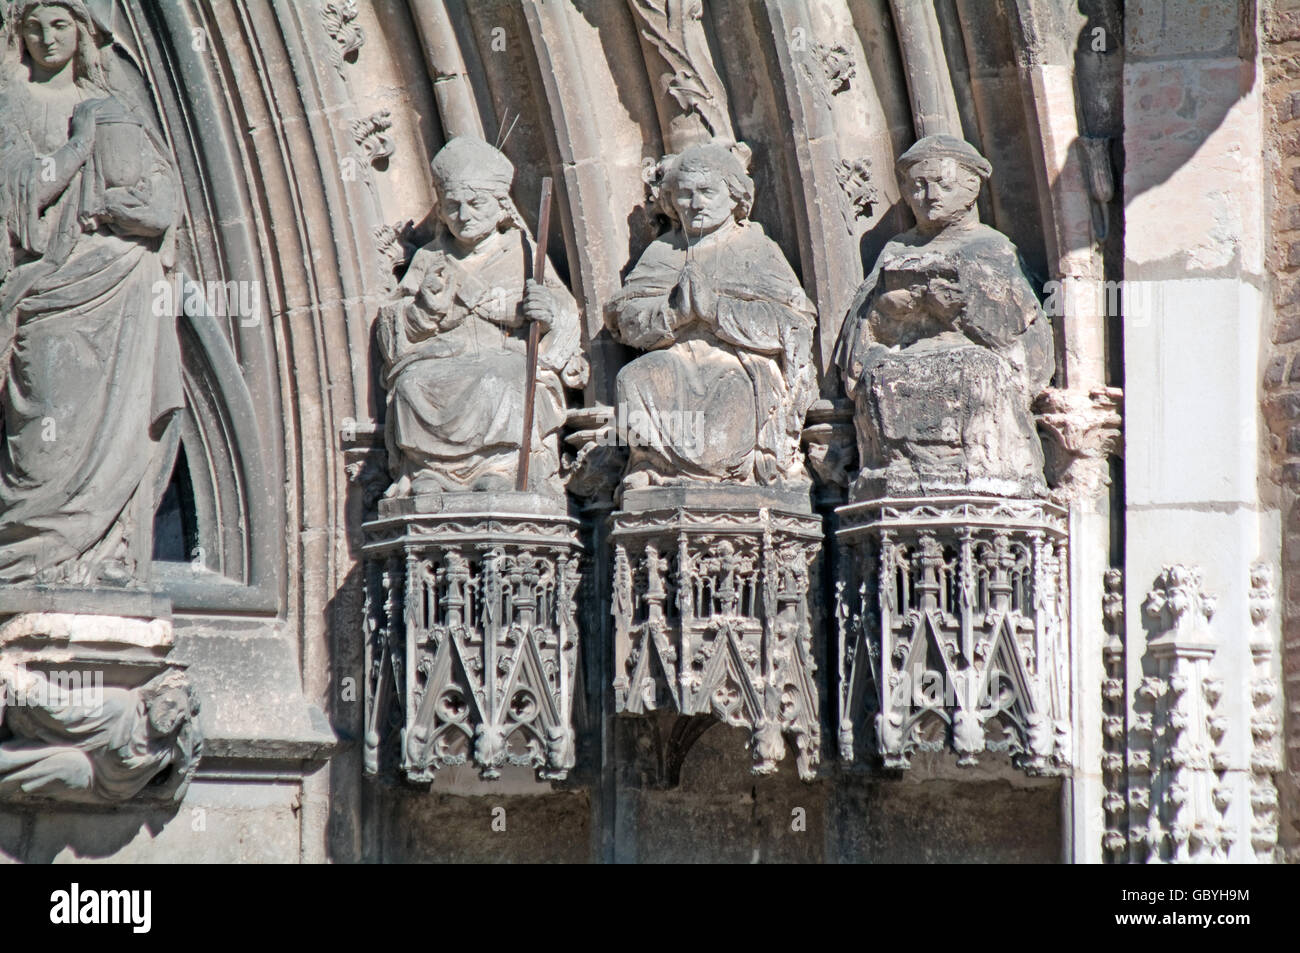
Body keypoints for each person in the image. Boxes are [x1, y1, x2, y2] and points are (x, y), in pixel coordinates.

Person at [0, 1, 183, 583]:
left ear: (83, 33)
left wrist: (132, 210)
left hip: (118, 290)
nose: (47, 39)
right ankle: (28, 561)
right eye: (34, 28)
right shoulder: (13, 105)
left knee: (114, 431)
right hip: (47, 293)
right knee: (44, 433)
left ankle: (96, 559)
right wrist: (80, 145)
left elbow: (160, 202)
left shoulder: (116, 108)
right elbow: (21, 199)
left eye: (60, 25)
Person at [834, 134, 1054, 499]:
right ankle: (895, 470)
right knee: (879, 374)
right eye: (918, 187)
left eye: (943, 185)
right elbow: (861, 333)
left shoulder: (991, 246)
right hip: (907, 358)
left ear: (971, 188)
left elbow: (1023, 333)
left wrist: (963, 305)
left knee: (974, 369)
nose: (930, 196)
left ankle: (984, 473)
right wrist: (890, 311)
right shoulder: (897, 248)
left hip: (973, 363)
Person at [377, 136, 586, 496]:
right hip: (442, 355)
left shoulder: (523, 251)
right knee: (413, 383)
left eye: (476, 203)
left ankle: (501, 469)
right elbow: (394, 325)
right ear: (440, 211)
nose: (464, 215)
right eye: (453, 205)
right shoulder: (429, 258)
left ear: (501, 206)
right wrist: (424, 308)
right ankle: (431, 472)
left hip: (503, 355)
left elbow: (565, 312)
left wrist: (547, 312)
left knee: (502, 379)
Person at [607, 141, 816, 489]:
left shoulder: (755, 248)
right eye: (685, 194)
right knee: (635, 377)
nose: (696, 203)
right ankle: (653, 464)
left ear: (734, 196)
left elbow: (792, 324)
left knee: (730, 390)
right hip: (676, 357)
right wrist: (675, 314)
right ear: (670, 201)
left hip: (738, 362)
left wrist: (716, 311)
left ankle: (719, 476)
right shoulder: (663, 251)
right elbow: (625, 319)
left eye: (707, 191)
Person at [0, 665, 201, 802]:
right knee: (69, 764)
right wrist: (25, 685)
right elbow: (65, 710)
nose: (170, 715)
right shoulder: (119, 707)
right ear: (157, 695)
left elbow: (183, 772)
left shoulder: (172, 745)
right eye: (169, 704)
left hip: (95, 786)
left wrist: (164, 791)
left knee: (72, 771)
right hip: (52, 742)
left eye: (179, 713)